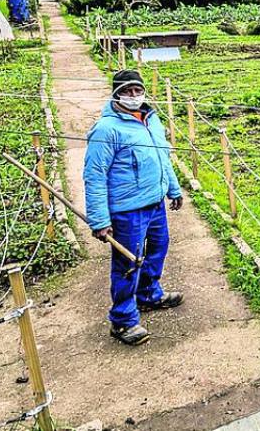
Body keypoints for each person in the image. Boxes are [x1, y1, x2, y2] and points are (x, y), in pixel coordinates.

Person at [84, 69, 184, 346]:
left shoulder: (151, 120)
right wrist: (99, 219)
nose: (133, 96)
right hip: (127, 209)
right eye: (126, 91)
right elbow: (94, 175)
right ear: (116, 94)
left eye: (137, 90)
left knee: (158, 248)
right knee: (128, 263)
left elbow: (163, 158)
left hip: (155, 203)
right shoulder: (107, 129)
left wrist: (173, 189)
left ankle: (149, 294)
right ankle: (123, 320)